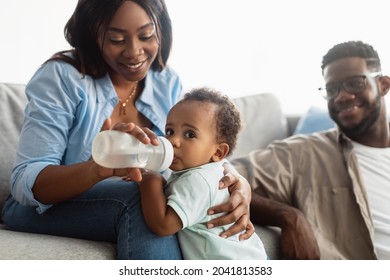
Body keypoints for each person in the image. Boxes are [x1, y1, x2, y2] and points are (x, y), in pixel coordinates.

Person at [1, 0, 253, 260]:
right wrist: (94, 170)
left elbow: (200, 153)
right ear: (93, 33)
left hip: (115, 203)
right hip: (42, 206)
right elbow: (25, 180)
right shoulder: (62, 77)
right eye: (117, 39)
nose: (134, 52)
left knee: (161, 195)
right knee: (143, 195)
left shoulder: (165, 81)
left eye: (146, 36)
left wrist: (237, 183)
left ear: (161, 31)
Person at [232, 40, 390, 260]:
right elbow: (224, 174)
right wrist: (287, 216)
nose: (342, 96)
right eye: (332, 89)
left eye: (355, 83)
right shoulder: (302, 152)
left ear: (383, 85)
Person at [139, 88, 268, 259]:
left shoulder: (197, 180)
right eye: (170, 131)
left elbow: (163, 226)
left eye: (190, 134)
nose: (173, 141)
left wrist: (150, 179)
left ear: (219, 152)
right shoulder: (213, 169)